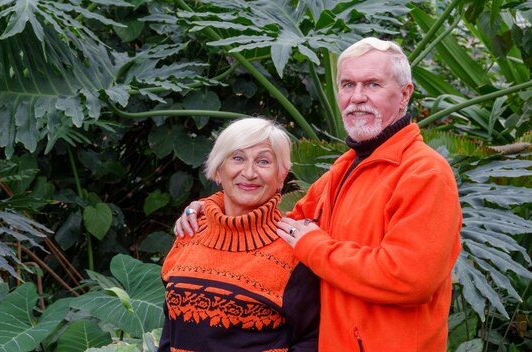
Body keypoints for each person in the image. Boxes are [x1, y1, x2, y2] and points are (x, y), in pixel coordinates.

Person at [174, 37, 462, 352]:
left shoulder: (425, 173)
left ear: (405, 94)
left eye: (373, 85)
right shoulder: (344, 169)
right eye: (348, 85)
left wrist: (315, 246)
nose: (357, 98)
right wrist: (211, 210)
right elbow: (283, 226)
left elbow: (409, 279)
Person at [159, 117, 320, 352]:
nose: (249, 172)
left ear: (281, 176)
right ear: (218, 170)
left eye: (264, 161)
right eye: (237, 158)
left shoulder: (294, 250)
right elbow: (170, 329)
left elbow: (314, 340)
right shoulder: (190, 231)